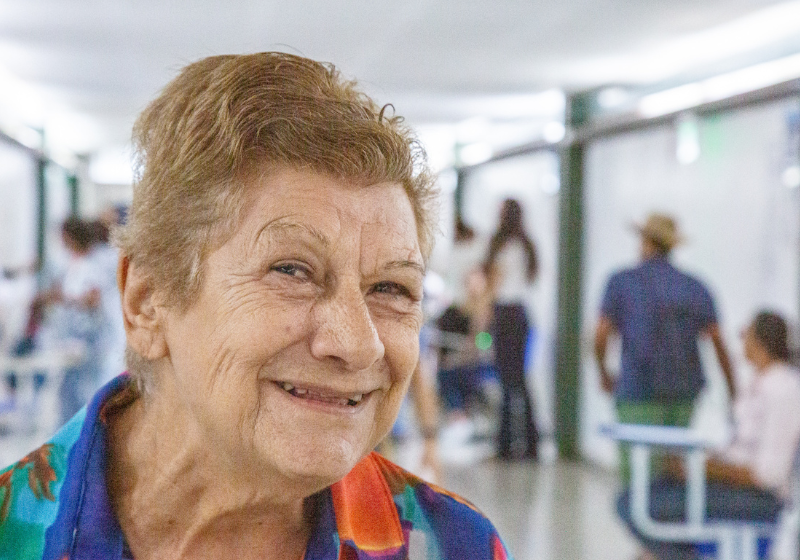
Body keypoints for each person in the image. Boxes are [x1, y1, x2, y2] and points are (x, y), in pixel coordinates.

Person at [0, 53, 512, 560]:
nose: (359, 345)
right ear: (147, 302)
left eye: (392, 289)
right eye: (292, 271)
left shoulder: (456, 546)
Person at [618, 310, 800, 560]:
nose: (740, 339)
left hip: (757, 498)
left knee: (639, 506)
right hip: (731, 483)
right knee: (636, 496)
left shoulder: (783, 390)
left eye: (744, 334)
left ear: (759, 341)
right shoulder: (759, 384)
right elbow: (739, 446)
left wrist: (703, 469)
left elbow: (768, 474)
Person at [594, 212, 736, 481]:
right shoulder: (695, 286)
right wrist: (734, 391)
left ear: (644, 241)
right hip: (683, 394)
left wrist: (603, 373)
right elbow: (718, 342)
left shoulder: (622, 282)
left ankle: (641, 521)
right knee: (673, 472)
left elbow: (600, 336)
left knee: (637, 477)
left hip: (637, 390)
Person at [484, 198, 539, 461]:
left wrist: (483, 319)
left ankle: (505, 446)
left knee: (505, 379)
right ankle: (530, 444)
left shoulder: (501, 246)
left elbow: (494, 283)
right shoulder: (526, 246)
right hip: (521, 314)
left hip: (504, 314)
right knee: (520, 380)